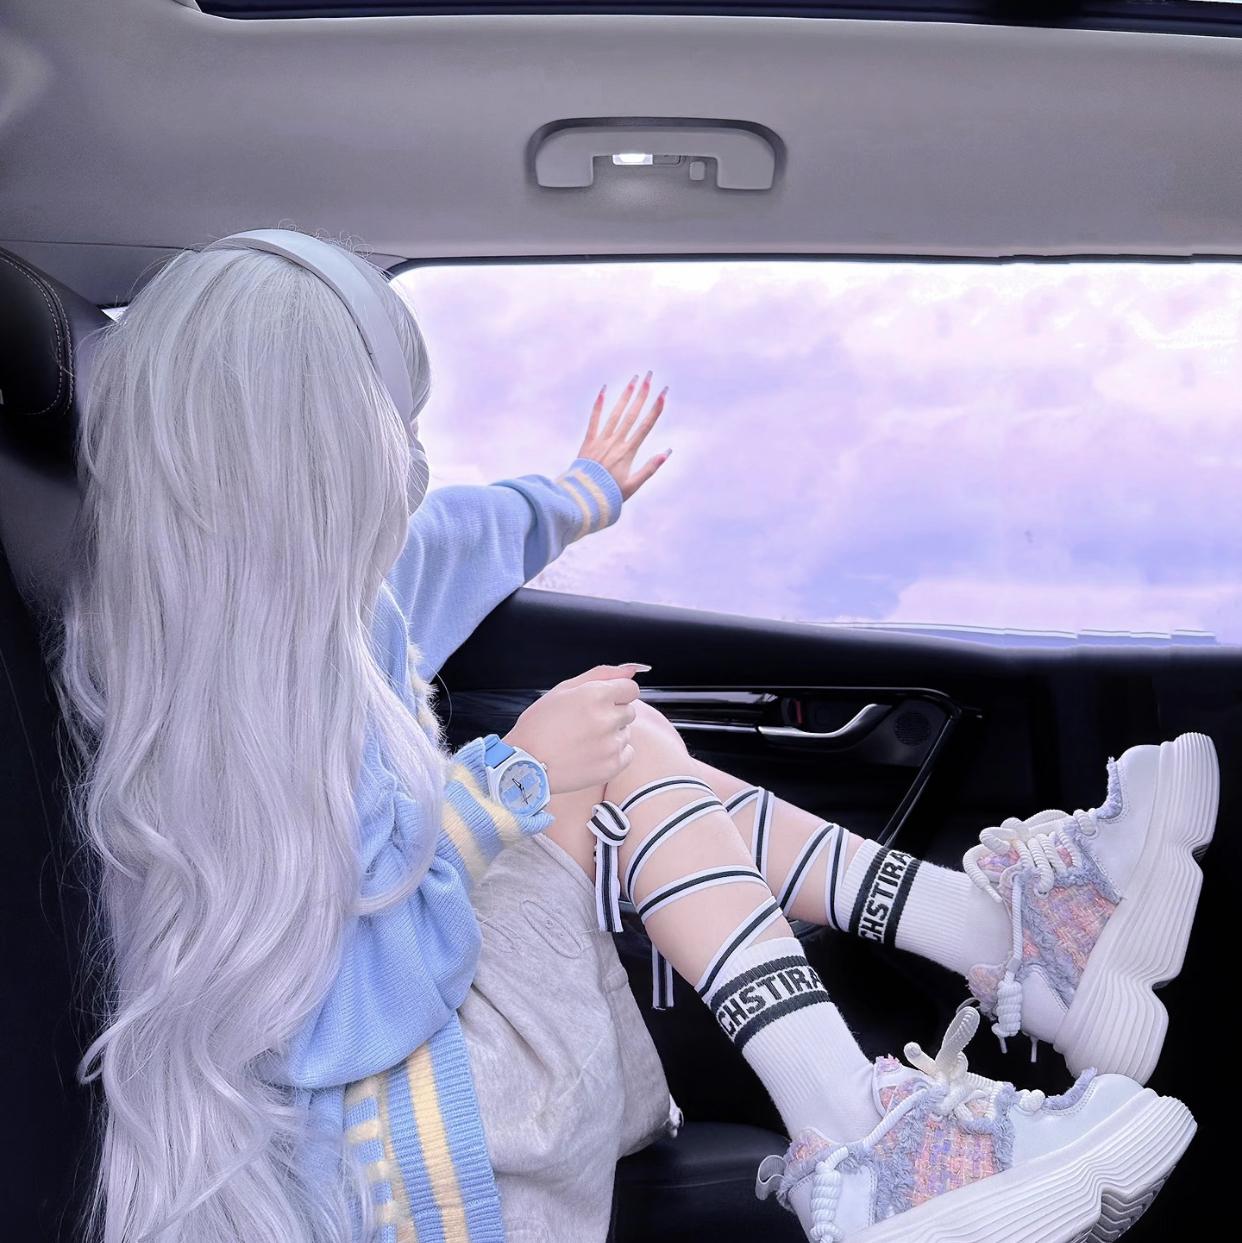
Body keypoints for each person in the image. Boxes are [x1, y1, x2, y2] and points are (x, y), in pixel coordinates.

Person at [50, 226, 1217, 1243]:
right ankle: (891, 1099)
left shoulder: (342, 604)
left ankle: (990, 953)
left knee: (619, 737)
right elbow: (329, 1019)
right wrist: (502, 786)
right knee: (612, 746)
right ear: (307, 471)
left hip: (454, 1070)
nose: (410, 466)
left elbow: (455, 535)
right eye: (386, 434)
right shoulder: (225, 738)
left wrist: (580, 493)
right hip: (413, 1151)